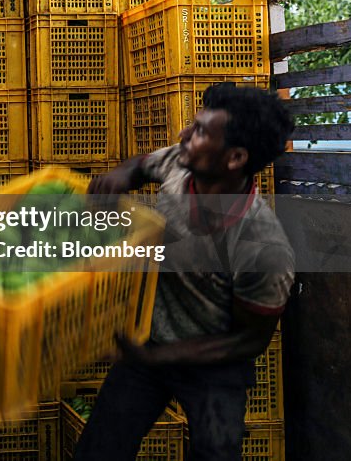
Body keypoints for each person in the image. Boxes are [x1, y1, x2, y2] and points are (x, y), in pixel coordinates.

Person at [76, 83, 296, 461]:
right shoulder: (181, 166)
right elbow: (141, 165)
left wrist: (162, 357)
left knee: (217, 451)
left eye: (199, 132)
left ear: (235, 158)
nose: (183, 136)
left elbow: (248, 341)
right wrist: (118, 178)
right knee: (100, 448)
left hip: (212, 364)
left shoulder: (264, 249)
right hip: (149, 341)